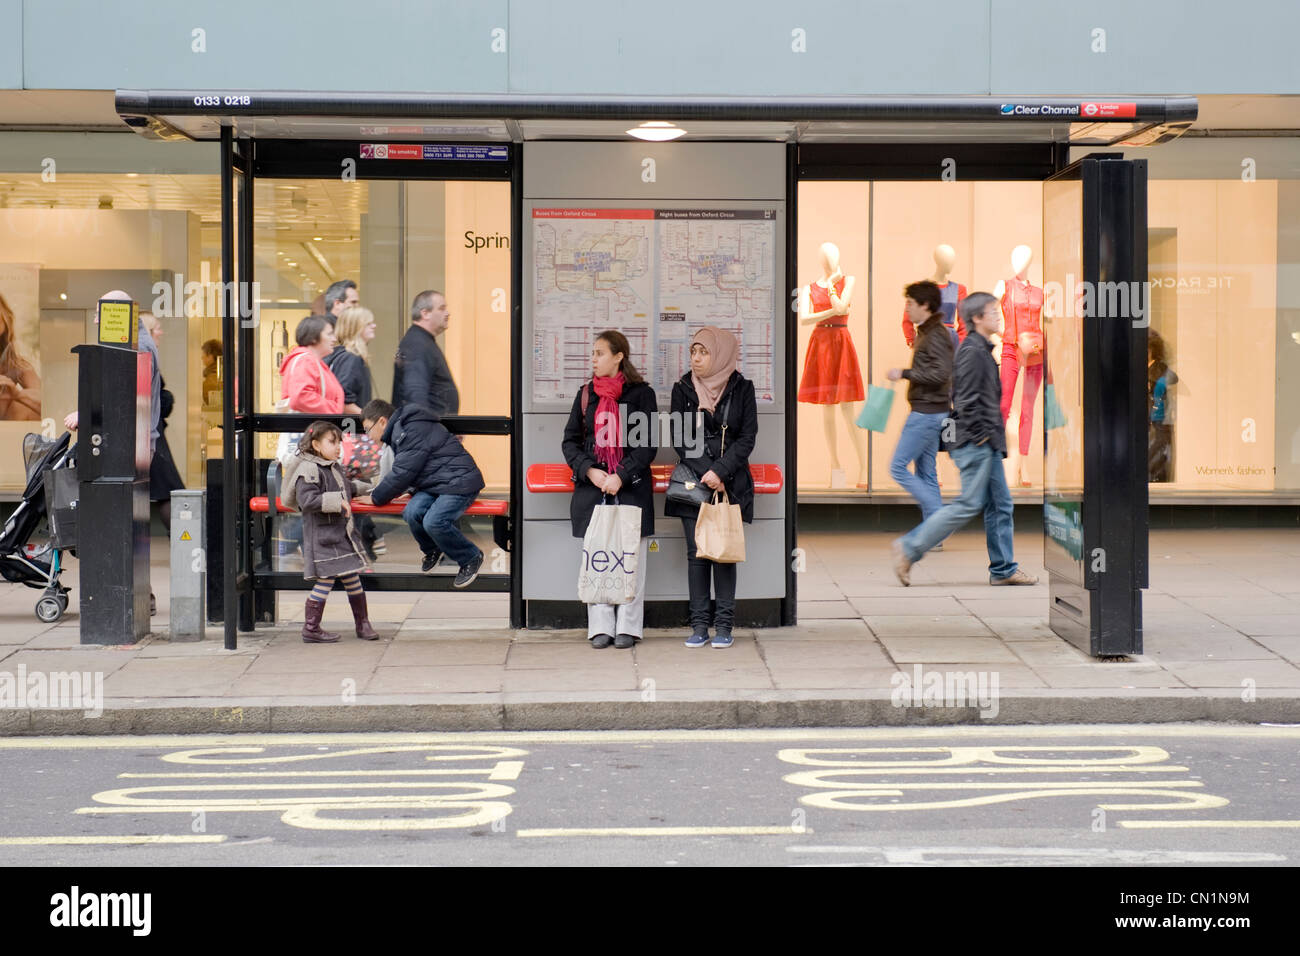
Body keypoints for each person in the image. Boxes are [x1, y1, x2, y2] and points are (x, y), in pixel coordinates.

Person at [891, 293, 1038, 588]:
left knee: (1001, 505)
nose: (998, 316)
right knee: (968, 504)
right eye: (992, 312)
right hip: (976, 442)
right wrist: (983, 436)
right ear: (976, 319)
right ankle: (910, 548)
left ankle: (1003, 569)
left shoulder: (981, 349)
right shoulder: (972, 351)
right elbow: (965, 399)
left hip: (986, 442)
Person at [561, 330, 657, 650]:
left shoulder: (642, 395)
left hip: (630, 488)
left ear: (618, 357)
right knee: (598, 558)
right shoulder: (586, 394)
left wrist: (621, 474)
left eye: (599, 353)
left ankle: (629, 626)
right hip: (594, 490)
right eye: (592, 353)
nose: (593, 359)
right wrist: (590, 470)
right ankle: (600, 626)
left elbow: (647, 445)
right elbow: (570, 441)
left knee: (632, 559)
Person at [667, 326, 758, 649]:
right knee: (697, 554)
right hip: (694, 481)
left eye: (703, 352)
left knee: (724, 553)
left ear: (719, 353)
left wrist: (720, 471)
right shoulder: (683, 388)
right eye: (693, 351)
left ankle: (724, 626)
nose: (696, 358)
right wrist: (707, 471)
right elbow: (680, 436)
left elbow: (747, 436)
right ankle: (699, 625)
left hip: (730, 482)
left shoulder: (742, 388)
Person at [357, 397, 486, 587]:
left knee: (434, 522)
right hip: (435, 484)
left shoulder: (410, 430)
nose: (368, 435)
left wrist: (376, 498)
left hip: (459, 482)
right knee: (411, 512)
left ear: (382, 421)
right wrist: (407, 489)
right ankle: (433, 549)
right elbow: (414, 468)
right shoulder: (402, 429)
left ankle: (470, 557)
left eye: (368, 429)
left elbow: (402, 472)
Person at [281, 420, 377, 642]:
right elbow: (307, 500)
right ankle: (311, 628)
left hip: (339, 535)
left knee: (352, 578)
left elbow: (347, 487)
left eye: (338, 442)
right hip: (323, 537)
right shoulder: (309, 469)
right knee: (325, 580)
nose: (337, 447)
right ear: (316, 444)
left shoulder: (331, 466)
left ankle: (362, 624)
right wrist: (337, 501)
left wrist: (373, 489)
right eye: (332, 442)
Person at [887, 281, 955, 536]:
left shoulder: (935, 334)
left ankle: (938, 516)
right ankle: (933, 535)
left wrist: (904, 373)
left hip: (926, 413)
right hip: (931, 410)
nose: (907, 309)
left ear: (925, 305)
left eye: (911, 303)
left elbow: (940, 373)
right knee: (927, 472)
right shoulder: (928, 332)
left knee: (897, 467)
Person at [276, 316, 344, 561]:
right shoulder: (307, 361)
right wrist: (334, 410)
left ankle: (314, 551)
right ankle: (316, 551)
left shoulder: (309, 361)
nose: (334, 338)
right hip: (309, 440)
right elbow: (300, 397)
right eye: (329, 333)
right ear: (315, 337)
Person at [140, 313, 185, 535]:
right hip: (149, 434)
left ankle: (184, 546)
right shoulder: (145, 353)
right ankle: (184, 546)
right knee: (169, 490)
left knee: (167, 490)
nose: (161, 332)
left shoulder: (146, 353)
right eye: (157, 327)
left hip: (148, 433)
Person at [393, 290, 459, 417]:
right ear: (425, 313)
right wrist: (424, 427)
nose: (447, 313)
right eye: (442, 308)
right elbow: (415, 393)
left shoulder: (422, 341)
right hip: (426, 432)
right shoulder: (417, 345)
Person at [325, 305, 375, 415]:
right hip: (350, 427)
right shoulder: (351, 358)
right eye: (368, 324)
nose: (374, 326)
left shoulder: (341, 355)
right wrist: (369, 419)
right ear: (356, 328)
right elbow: (343, 402)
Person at [0, 291, 42, 421]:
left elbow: (45, 404)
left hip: (10, 430)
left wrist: (16, 394)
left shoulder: (16, 364)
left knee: (21, 408)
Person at [1147, 330, 1179, 483]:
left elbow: (1172, 379)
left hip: (1158, 416)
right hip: (1149, 416)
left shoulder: (1158, 368)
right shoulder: (1145, 369)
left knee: (1159, 444)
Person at [200, 338, 222, 403]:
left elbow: (211, 404)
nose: (202, 357)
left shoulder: (212, 379)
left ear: (211, 356)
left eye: (204, 353)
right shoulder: (220, 374)